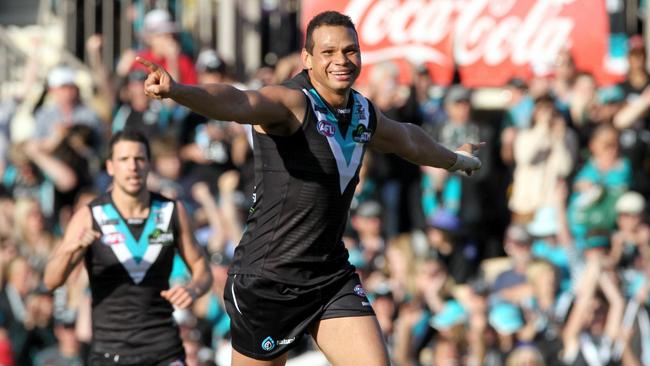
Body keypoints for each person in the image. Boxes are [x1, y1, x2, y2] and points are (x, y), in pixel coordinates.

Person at [137, 11, 482, 366]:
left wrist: (454, 160)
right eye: (328, 52)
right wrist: (178, 90)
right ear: (307, 59)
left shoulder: (361, 111)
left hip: (329, 274)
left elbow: (408, 139)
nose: (341, 61)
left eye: (350, 51)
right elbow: (238, 102)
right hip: (269, 279)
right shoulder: (291, 102)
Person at [43, 130, 212, 365]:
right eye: (124, 160)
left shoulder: (171, 210)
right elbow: (51, 280)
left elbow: (201, 267)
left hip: (164, 348)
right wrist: (71, 249)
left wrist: (193, 289)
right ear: (111, 167)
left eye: (139, 159)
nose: (132, 166)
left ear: (149, 165)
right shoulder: (90, 215)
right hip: (110, 352)